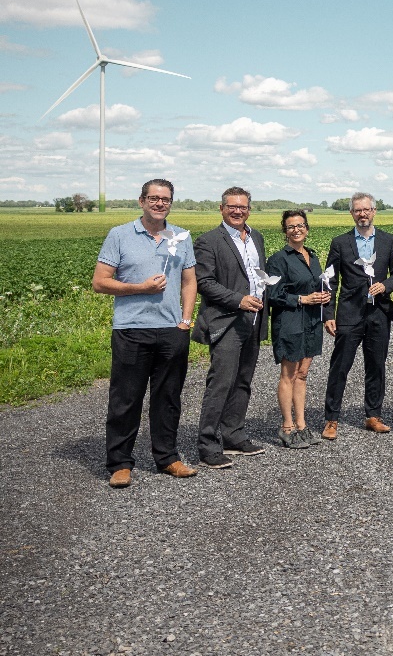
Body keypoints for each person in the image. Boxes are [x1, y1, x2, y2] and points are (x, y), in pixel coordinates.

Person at [93, 179, 198, 487]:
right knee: (125, 399)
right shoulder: (120, 235)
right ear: (141, 201)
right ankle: (120, 464)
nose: (159, 203)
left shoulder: (180, 236)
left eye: (165, 199)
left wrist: (186, 321)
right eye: (153, 198)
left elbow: (189, 281)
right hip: (131, 330)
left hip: (171, 330)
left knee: (168, 398)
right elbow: (100, 282)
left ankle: (167, 458)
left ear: (170, 203)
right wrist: (140, 288)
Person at [193, 186, 269, 468]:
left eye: (243, 207)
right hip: (226, 320)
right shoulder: (209, 241)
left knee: (243, 380)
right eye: (232, 206)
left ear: (250, 209)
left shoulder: (256, 237)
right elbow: (204, 282)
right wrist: (239, 300)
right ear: (222, 208)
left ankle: (234, 434)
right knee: (221, 383)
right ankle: (208, 444)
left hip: (254, 320)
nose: (238, 211)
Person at [321, 192, 393, 439]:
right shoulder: (340, 242)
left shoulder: (388, 241)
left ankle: (373, 415)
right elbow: (330, 280)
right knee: (340, 366)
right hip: (349, 313)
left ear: (374, 211)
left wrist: (386, 286)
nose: (362, 214)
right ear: (352, 214)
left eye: (366, 210)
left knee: (376, 365)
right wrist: (328, 313)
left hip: (379, 313)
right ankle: (331, 419)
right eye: (357, 210)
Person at [265, 210, 330, 449]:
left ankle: (302, 425)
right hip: (290, 322)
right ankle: (287, 427)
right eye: (291, 226)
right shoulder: (278, 259)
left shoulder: (312, 256)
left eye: (300, 225)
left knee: (302, 375)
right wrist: (302, 299)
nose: (296, 229)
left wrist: (323, 298)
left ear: (307, 228)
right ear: (285, 231)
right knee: (289, 375)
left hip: (312, 321)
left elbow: (321, 284)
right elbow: (273, 294)